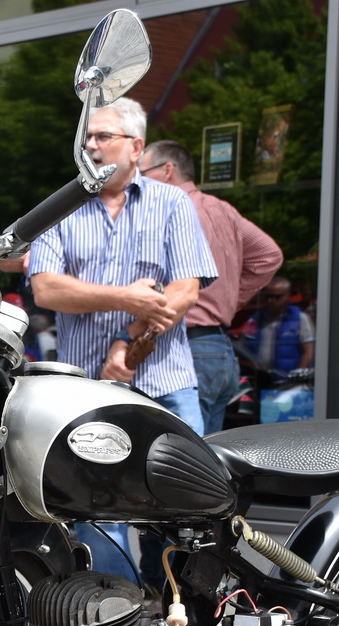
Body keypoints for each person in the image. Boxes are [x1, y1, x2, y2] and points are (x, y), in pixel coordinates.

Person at [28, 97, 217, 586]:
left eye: (103, 136)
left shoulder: (172, 202)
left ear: (136, 147)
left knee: (183, 507)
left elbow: (185, 290)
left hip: (165, 382)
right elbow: (46, 288)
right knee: (96, 512)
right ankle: (112, 614)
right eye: (87, 137)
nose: (90, 145)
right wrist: (126, 298)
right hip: (84, 392)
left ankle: (180, 623)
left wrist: (126, 341)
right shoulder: (62, 203)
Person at [138, 139, 281, 434]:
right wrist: (228, 300)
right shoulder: (221, 209)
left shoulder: (168, 211)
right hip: (219, 350)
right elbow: (269, 255)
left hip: (184, 351)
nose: (137, 182)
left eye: (143, 173)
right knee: (206, 465)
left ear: (167, 170)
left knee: (176, 460)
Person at [238, 277, 314, 374]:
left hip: (289, 381)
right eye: (268, 296)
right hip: (262, 379)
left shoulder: (299, 318)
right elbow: (243, 348)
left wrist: (298, 373)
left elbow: (308, 351)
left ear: (287, 296)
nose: (271, 300)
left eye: (277, 297)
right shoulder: (255, 320)